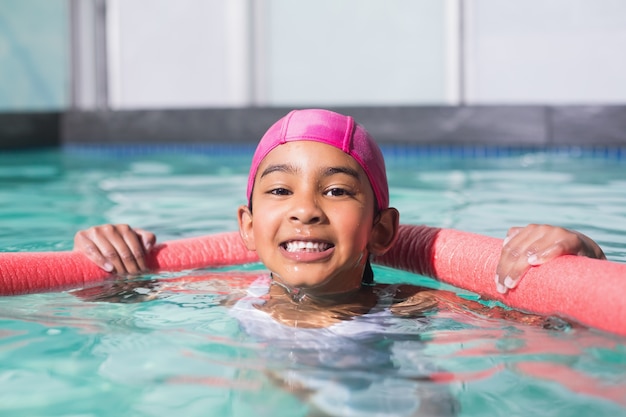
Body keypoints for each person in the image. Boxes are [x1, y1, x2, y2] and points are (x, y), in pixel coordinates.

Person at [73, 109, 605, 415]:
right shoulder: (229, 293)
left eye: (335, 191)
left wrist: (580, 263)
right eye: (280, 189)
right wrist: (108, 255)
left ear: (382, 230)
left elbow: (559, 333)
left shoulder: (411, 307)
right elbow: (108, 308)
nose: (305, 209)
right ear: (247, 225)